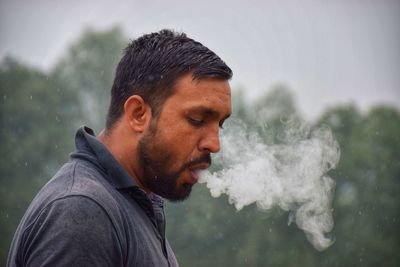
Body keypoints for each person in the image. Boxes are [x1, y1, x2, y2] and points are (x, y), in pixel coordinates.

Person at [7, 29, 232, 267]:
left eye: (220, 124)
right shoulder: (84, 210)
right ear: (138, 114)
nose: (214, 144)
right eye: (197, 119)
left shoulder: (131, 203)